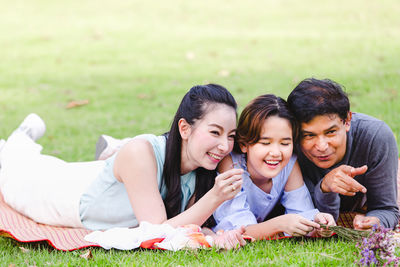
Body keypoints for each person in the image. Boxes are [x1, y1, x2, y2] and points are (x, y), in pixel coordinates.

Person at [0, 84, 247, 249]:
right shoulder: (141, 152)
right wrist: (215, 197)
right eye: (215, 132)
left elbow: (189, 222)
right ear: (184, 128)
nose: (225, 146)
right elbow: (154, 231)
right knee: (12, 172)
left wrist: (216, 237)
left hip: (105, 179)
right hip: (65, 196)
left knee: (39, 164)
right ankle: (18, 140)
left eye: (230, 135)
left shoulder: (201, 168)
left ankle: (20, 143)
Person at [213, 94, 335, 239]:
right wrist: (279, 224)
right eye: (265, 143)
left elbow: (302, 212)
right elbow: (237, 232)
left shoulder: (289, 164)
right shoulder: (231, 165)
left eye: (285, 143)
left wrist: (317, 222)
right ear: (244, 144)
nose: (276, 153)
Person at [287, 78, 399, 230]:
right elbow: (309, 216)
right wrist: (326, 188)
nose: (321, 146)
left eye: (331, 132)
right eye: (309, 135)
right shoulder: (287, 145)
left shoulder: (375, 137)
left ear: (347, 120)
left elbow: (386, 209)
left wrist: (376, 221)